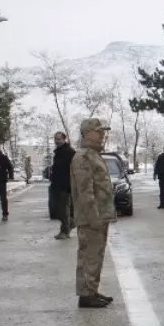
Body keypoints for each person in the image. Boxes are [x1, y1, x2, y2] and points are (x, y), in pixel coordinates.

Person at [69, 119, 116, 308]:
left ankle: (92, 290)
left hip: (100, 215)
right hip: (91, 217)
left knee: (96, 254)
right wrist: (93, 216)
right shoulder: (82, 157)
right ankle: (86, 294)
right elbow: (85, 191)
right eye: (99, 131)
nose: (102, 134)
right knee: (89, 254)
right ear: (87, 132)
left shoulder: (94, 154)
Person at [51, 131, 75, 240]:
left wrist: (69, 183)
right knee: (57, 209)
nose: (57, 141)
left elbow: (72, 169)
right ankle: (72, 223)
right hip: (56, 185)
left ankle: (65, 231)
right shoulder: (58, 152)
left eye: (59, 139)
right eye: (56, 139)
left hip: (65, 185)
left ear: (64, 139)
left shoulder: (69, 152)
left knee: (63, 209)